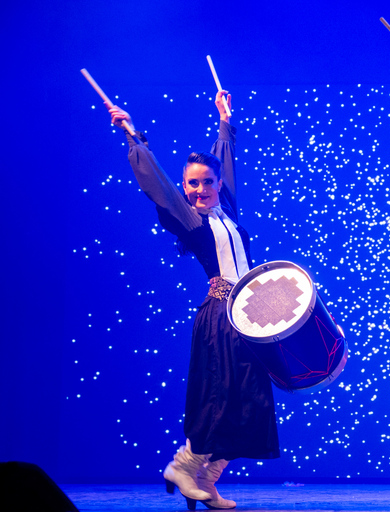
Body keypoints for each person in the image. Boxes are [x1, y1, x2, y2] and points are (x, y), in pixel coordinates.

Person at [108, 91, 279, 510]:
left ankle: (207, 477)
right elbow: (158, 184)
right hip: (221, 315)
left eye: (207, 182)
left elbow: (226, 160)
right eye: (193, 184)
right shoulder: (189, 218)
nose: (200, 189)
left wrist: (224, 122)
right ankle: (184, 466)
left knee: (252, 403)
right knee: (222, 398)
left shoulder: (228, 211)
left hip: (249, 316)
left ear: (218, 184)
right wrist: (133, 137)